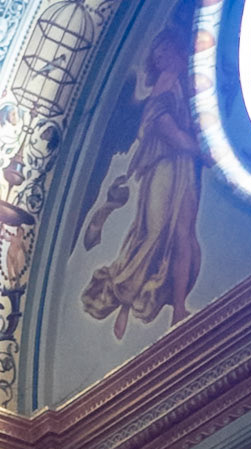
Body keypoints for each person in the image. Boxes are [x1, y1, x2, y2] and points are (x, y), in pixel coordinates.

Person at [81, 27, 203, 341]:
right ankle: (125, 301)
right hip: (162, 164)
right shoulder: (160, 89)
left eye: (164, 49)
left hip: (185, 167)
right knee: (154, 230)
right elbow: (161, 127)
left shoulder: (188, 84)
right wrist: (196, 146)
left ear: (177, 49)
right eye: (156, 53)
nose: (159, 56)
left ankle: (178, 307)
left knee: (182, 233)